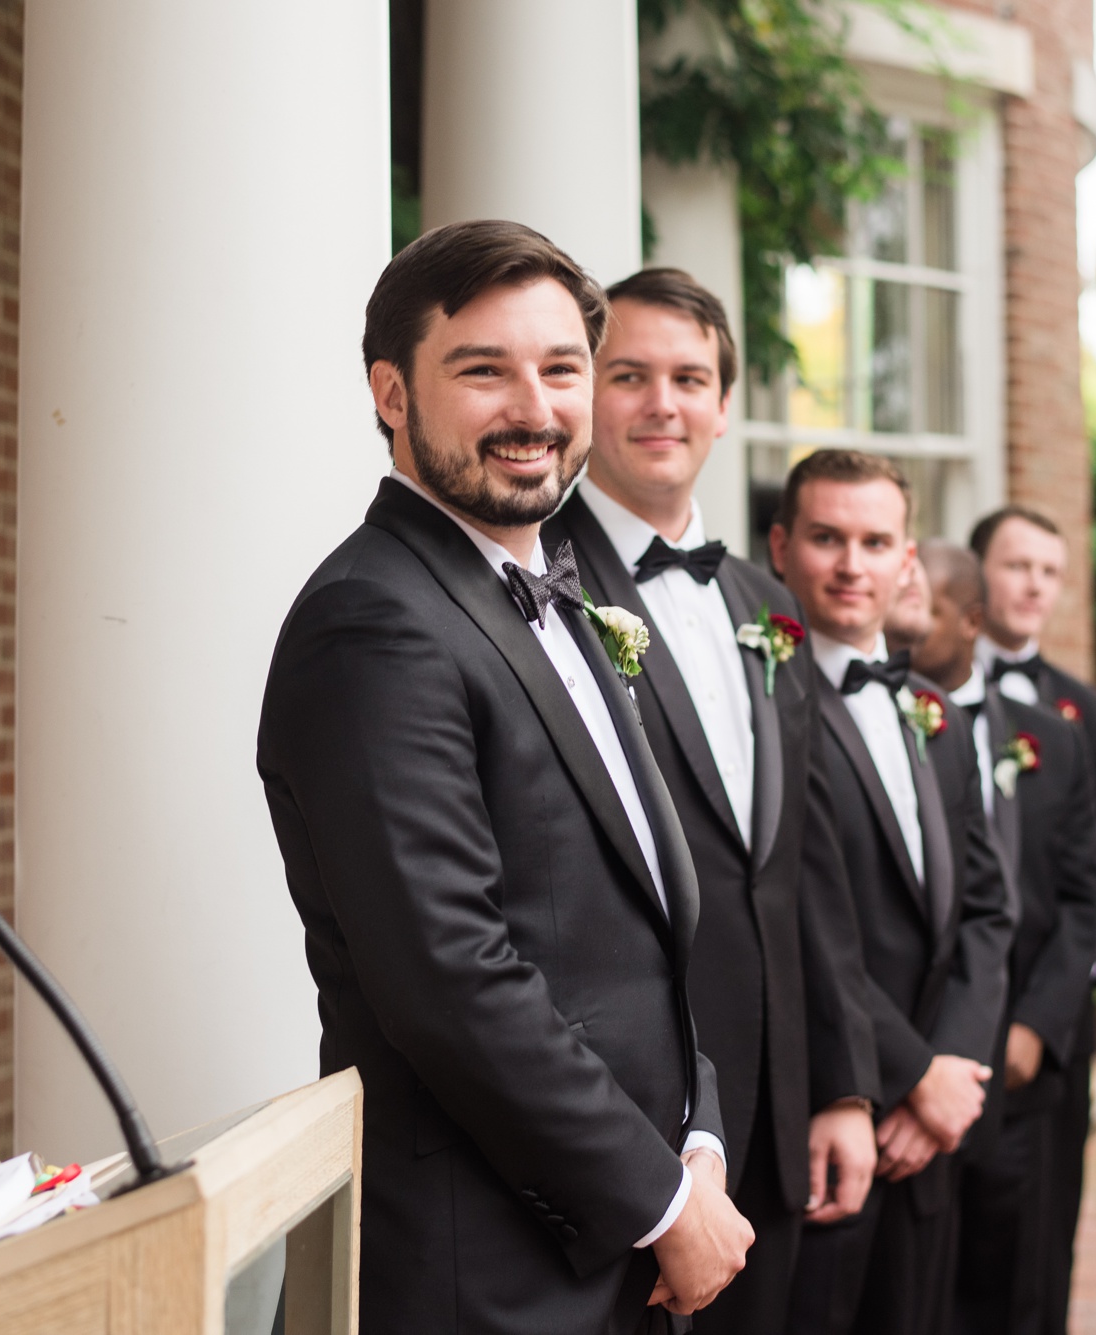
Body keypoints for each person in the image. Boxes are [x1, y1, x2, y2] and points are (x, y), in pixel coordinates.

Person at [256, 222, 753, 1335]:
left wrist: (696, 1136)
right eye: (482, 370)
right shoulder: (371, 623)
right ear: (391, 392)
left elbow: (639, 928)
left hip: (611, 1239)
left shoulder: (552, 592)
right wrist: (662, 1198)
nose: (533, 409)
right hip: (477, 1268)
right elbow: (449, 976)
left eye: (560, 368)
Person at [540, 268, 879, 1335]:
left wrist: (841, 1084)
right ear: (586, 394)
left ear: (723, 407)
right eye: (627, 374)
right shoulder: (536, 588)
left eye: (689, 378)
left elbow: (799, 868)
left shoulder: (763, 606)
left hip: (775, 1118)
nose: (661, 403)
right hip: (635, 1128)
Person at [771, 451, 1012, 1335]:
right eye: (828, 538)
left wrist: (951, 1074)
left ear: (907, 560)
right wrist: (905, 1074)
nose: (850, 564)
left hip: (935, 1130)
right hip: (826, 1119)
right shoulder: (763, 704)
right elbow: (788, 918)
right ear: (782, 548)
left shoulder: (933, 711)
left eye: (875, 542)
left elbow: (988, 909)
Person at [905, 542, 1096, 1335]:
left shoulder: (1050, 737)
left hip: (1021, 1063)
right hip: (916, 1057)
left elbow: (1087, 892)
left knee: (1014, 1273)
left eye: (925, 613)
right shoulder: (886, 718)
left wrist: (1035, 1025)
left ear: (971, 621)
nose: (906, 626)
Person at [968, 506, 1096, 1333]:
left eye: (1048, 570)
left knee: (1039, 1239)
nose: (1034, 584)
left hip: (1052, 1008)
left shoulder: (1082, 710)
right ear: (975, 575)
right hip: (950, 1015)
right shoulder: (924, 688)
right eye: (1016, 565)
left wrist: (1051, 1007)